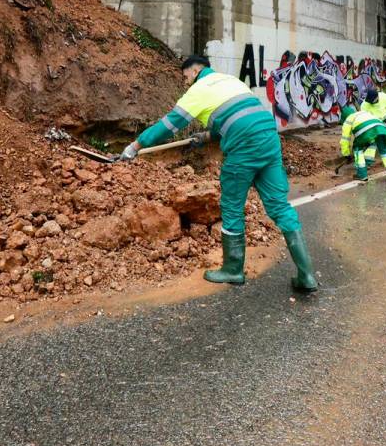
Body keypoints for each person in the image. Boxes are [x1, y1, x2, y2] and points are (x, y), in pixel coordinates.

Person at [120, 55, 318, 291]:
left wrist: (135, 147)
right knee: (280, 207)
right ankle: (307, 275)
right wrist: (205, 136)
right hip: (269, 138)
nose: (185, 83)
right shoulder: (230, 81)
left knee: (232, 205)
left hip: (244, 146)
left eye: (185, 77)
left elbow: (169, 125)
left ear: (195, 71)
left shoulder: (198, 90)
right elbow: (236, 116)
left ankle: (233, 270)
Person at [339, 105, 386, 182]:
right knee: (385, 152)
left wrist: (346, 154)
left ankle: (362, 175)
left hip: (366, 131)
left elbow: (345, 139)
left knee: (357, 148)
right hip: (382, 128)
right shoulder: (363, 113)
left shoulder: (348, 120)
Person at [359, 85, 386, 163]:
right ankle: (368, 162)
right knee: (371, 143)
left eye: (373, 102)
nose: (371, 103)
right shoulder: (364, 105)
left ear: (377, 97)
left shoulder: (385, 98)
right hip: (374, 127)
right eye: (370, 102)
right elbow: (363, 119)